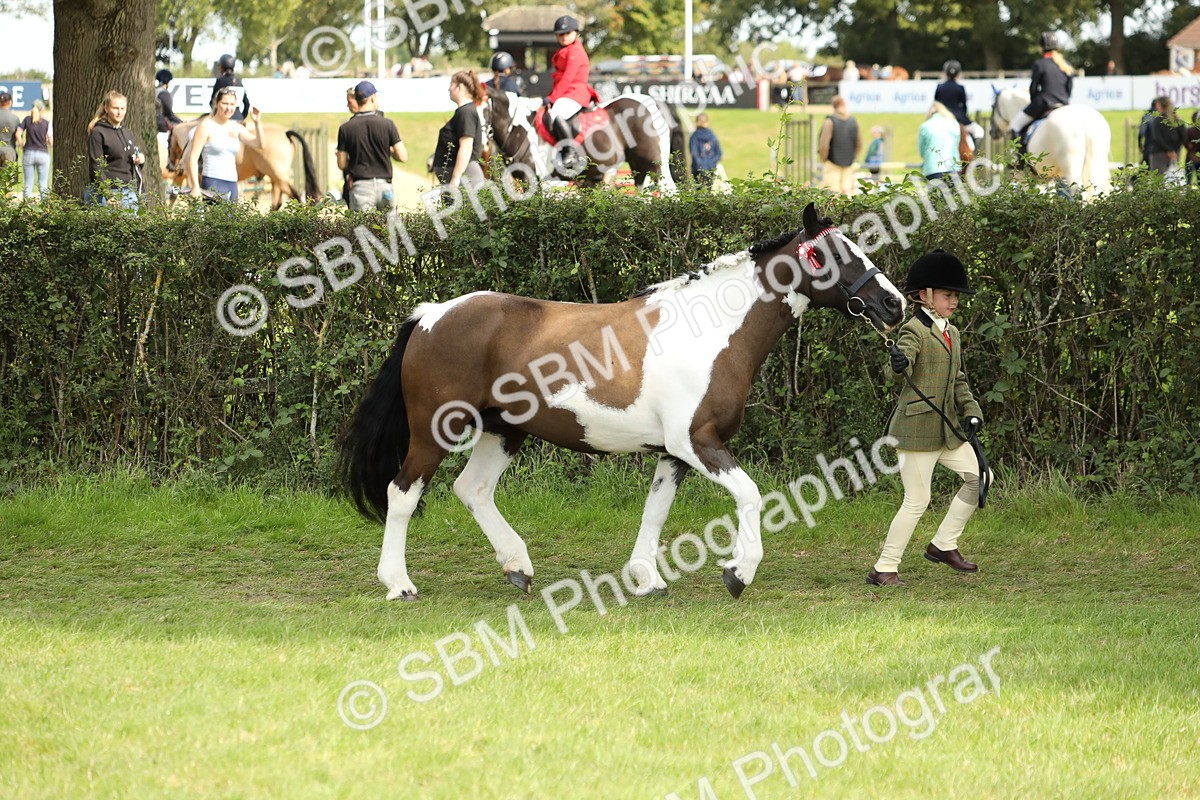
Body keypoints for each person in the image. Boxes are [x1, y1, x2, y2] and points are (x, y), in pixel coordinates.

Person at [868, 250, 985, 587]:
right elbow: (894, 370)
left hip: (946, 428)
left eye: (956, 296)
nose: (955, 301)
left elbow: (958, 378)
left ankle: (943, 544)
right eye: (948, 295)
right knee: (917, 500)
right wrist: (897, 364)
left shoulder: (953, 332)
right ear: (924, 296)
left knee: (980, 478)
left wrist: (972, 410)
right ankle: (884, 568)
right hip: (917, 428)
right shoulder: (914, 331)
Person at [336, 81, 407, 211]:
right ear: (373, 98)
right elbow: (402, 156)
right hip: (385, 187)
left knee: (363, 230)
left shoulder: (346, 128)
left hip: (360, 188)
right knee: (388, 229)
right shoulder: (387, 124)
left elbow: (341, 164)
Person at [185, 87, 263, 202]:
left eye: (232, 104)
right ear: (216, 103)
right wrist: (195, 187)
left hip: (232, 183)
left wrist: (257, 122)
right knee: (214, 220)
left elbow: (259, 144)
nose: (228, 108)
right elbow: (193, 158)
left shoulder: (236, 127)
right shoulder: (205, 126)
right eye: (225, 103)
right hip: (213, 181)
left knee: (233, 220)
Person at [547, 15, 599, 172]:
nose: (564, 37)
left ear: (576, 33)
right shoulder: (566, 50)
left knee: (556, 113)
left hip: (575, 92)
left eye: (567, 33)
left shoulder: (575, 51)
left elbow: (568, 78)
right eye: (560, 34)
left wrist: (552, 97)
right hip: (566, 92)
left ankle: (570, 152)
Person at [1007, 32, 1073, 144]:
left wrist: (1034, 102)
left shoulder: (1040, 64)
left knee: (1015, 126)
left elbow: (1033, 88)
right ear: (1057, 48)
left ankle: (1022, 157)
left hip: (1044, 103)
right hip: (1064, 104)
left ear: (1041, 48)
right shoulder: (1066, 65)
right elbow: (1069, 89)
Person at [428, 71, 487, 195]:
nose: (449, 88)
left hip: (465, 178)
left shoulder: (466, 112)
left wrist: (455, 179)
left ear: (459, 87)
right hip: (461, 179)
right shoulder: (463, 111)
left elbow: (466, 147)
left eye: (451, 84)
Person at [85, 91, 145, 209]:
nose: (119, 112)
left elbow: (129, 164)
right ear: (106, 108)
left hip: (128, 192)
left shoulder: (127, 132)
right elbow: (95, 167)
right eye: (115, 108)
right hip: (106, 195)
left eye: (122, 108)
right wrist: (108, 195)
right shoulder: (98, 133)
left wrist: (140, 160)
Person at [934, 60, 984, 154]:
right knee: (979, 131)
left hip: (942, 118)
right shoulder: (960, 87)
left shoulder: (940, 87)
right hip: (960, 119)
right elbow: (964, 106)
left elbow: (936, 104)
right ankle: (974, 155)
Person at [818, 95, 861, 195]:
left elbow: (824, 144)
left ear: (834, 106)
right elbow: (859, 143)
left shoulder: (830, 121)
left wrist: (823, 158)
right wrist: (854, 156)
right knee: (847, 193)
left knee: (833, 193)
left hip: (832, 162)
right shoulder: (853, 121)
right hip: (849, 162)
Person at [1142, 96, 1186, 177]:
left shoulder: (1158, 120)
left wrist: (1168, 150)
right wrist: (1174, 150)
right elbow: (1183, 136)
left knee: (1158, 181)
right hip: (1175, 154)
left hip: (1158, 153)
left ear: (1160, 105)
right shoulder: (1177, 120)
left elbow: (1157, 138)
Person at [16, 99, 52, 200]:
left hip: (29, 153)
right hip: (43, 154)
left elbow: (18, 133)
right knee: (43, 183)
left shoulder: (27, 120)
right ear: (42, 109)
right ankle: (45, 207)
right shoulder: (46, 123)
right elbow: (50, 140)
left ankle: (25, 207)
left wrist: (21, 144)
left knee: (28, 183)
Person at [918, 102, 962, 183]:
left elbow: (922, 152)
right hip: (953, 168)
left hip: (932, 169)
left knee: (935, 195)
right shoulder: (954, 124)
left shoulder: (924, 126)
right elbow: (956, 145)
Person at [210, 53, 250, 122]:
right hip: (239, 118)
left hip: (225, 118)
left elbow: (213, 102)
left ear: (222, 67)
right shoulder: (239, 81)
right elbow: (246, 103)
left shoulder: (220, 81)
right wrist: (242, 116)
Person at [688, 112, 722, 189]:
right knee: (708, 191)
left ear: (697, 122)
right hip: (711, 169)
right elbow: (719, 153)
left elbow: (694, 154)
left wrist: (701, 167)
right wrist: (710, 165)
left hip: (698, 170)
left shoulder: (694, 136)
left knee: (699, 192)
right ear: (707, 122)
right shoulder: (712, 135)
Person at [0, 92, 18, 169]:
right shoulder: (15, 118)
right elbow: (17, 136)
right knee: (8, 179)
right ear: (10, 102)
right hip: (9, 150)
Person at [1185, 111, 1200, 186]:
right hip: (1191, 157)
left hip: (1192, 156)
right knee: (1189, 178)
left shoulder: (1189, 130)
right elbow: (1186, 143)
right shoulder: (1189, 130)